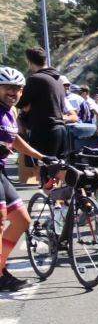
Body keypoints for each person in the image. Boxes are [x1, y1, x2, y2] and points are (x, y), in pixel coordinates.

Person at [0, 66, 38, 293]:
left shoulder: (10, 112)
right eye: (7, 88)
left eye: (17, 89)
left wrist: (39, 155)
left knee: (22, 221)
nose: (13, 93)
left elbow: (13, 140)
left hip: (2, 171)